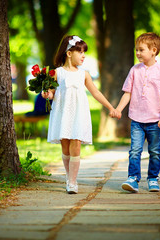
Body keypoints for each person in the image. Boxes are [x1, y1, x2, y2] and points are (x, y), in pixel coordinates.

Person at [42, 35, 120, 194]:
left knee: (76, 144)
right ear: (69, 53)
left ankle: (72, 181)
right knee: (65, 146)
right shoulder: (57, 73)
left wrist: (111, 107)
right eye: (80, 52)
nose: (84, 55)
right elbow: (51, 92)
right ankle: (68, 175)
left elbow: (96, 92)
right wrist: (47, 94)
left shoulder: (84, 74)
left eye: (84, 52)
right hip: (63, 113)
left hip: (78, 113)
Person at [112, 32, 160, 193]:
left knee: (154, 151)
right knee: (135, 150)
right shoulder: (135, 70)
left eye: (141, 50)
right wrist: (118, 109)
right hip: (137, 120)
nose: (137, 53)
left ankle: (153, 179)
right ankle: (133, 178)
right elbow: (128, 93)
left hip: (155, 120)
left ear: (153, 50)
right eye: (136, 50)